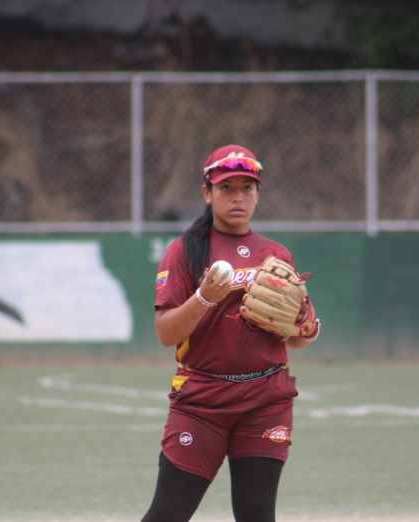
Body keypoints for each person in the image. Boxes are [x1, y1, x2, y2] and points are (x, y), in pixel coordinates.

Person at [141, 144, 321, 522]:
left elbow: (299, 337)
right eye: (226, 188)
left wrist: (307, 325)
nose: (238, 197)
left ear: (258, 194)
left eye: (247, 188)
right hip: (202, 401)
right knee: (167, 514)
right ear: (207, 193)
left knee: (257, 516)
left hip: (265, 400)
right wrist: (204, 298)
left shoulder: (276, 254)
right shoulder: (185, 252)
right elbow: (165, 331)